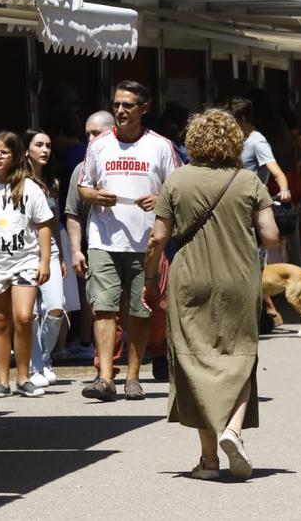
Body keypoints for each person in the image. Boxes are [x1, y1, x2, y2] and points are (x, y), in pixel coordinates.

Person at [143, 109, 279, 480]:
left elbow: (158, 237)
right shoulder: (248, 181)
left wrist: (150, 278)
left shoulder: (177, 180)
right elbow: (270, 236)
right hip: (239, 278)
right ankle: (232, 430)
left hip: (190, 278)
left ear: (194, 140)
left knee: (194, 361)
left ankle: (208, 461)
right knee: (240, 355)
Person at [78, 81, 180, 402]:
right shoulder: (99, 145)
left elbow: (178, 189)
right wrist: (95, 196)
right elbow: (83, 186)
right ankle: (105, 378)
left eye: (127, 105)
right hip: (104, 240)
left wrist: (160, 199)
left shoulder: (161, 146)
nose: (120, 111)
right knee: (104, 309)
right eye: (116, 105)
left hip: (145, 243)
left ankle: (133, 377)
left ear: (143, 109)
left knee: (141, 311)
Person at [0, 132, 53, 399]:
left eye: (4, 152)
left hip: (25, 261)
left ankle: (24, 378)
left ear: (15, 156)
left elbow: (44, 226)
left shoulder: (30, 188)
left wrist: (45, 261)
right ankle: (2, 383)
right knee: (0, 321)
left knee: (24, 317)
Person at [22, 129, 73, 388]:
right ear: (26, 150)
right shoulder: (18, 183)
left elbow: (54, 223)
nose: (45, 150)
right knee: (30, 313)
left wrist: (61, 255)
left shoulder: (53, 183)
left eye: (49, 146)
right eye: (39, 145)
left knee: (56, 306)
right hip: (24, 251)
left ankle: (42, 358)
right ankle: (36, 366)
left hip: (50, 250)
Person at [64, 111, 114, 360]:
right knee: (98, 302)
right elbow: (73, 213)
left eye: (97, 133)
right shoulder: (81, 170)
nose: (91, 139)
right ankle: (97, 356)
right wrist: (75, 250)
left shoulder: (131, 164)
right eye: (88, 134)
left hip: (132, 248)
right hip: (94, 247)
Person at [227, 98, 291, 203]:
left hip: (251, 202)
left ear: (242, 120)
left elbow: (277, 173)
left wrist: (284, 190)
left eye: (231, 122)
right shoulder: (239, 140)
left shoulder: (257, 141)